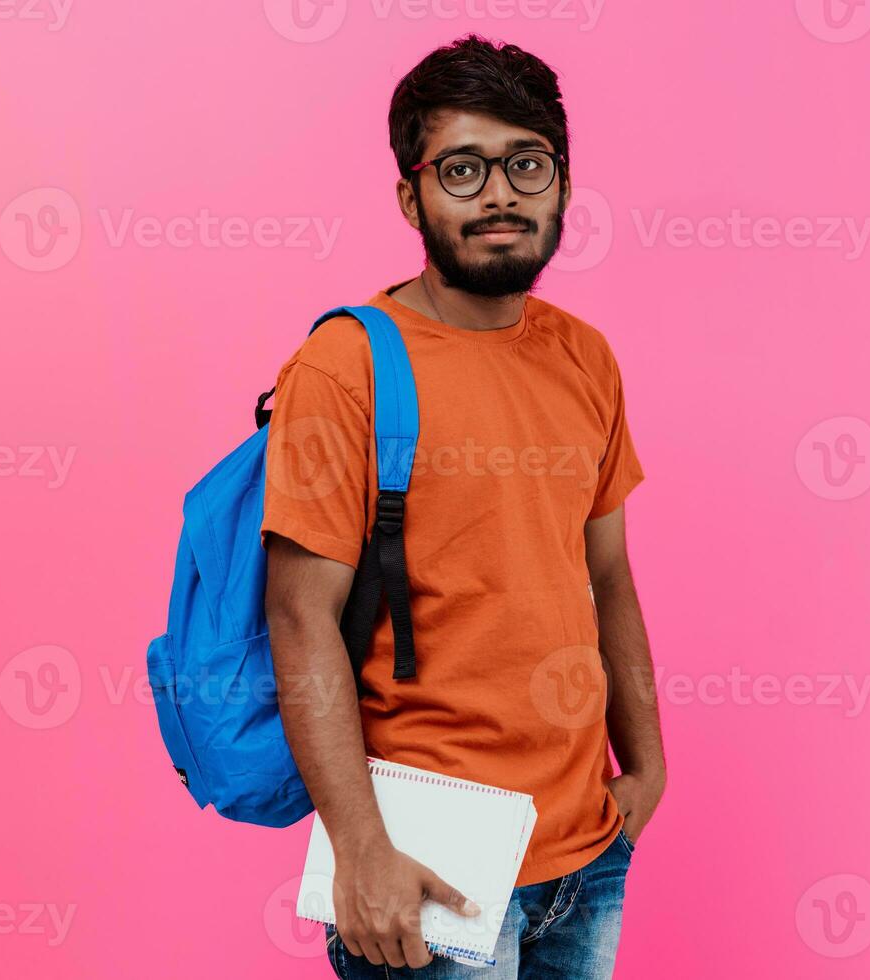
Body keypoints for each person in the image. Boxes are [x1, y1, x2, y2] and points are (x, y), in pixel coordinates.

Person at [260, 34, 665, 979]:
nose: (499, 195)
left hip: (585, 848)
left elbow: (605, 574)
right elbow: (299, 613)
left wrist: (645, 766)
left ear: (560, 185)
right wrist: (360, 848)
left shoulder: (584, 356)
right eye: (462, 169)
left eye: (526, 165)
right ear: (412, 196)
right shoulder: (346, 366)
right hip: (428, 855)